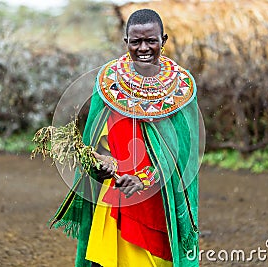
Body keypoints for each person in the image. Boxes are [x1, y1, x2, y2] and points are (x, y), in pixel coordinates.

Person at [49, 9, 200, 267]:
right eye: (135, 41)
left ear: (163, 40)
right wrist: (102, 163)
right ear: (126, 42)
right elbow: (96, 143)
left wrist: (143, 180)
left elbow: (181, 154)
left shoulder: (182, 88)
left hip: (158, 203)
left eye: (151, 40)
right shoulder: (108, 83)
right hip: (114, 197)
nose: (143, 48)